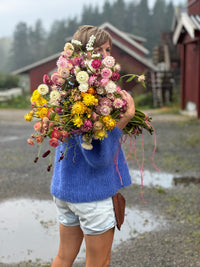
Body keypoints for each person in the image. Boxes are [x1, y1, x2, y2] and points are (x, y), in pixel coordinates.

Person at [51, 25, 135, 267]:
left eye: (109, 49)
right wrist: (125, 119)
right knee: (98, 262)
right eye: (102, 50)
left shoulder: (66, 89)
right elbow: (97, 155)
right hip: (91, 195)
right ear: (87, 53)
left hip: (66, 190)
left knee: (64, 256)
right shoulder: (91, 92)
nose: (108, 56)